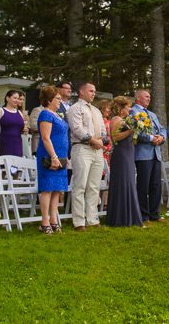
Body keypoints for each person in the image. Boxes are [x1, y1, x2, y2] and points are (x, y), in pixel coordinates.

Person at [66, 82, 105, 231]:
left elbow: (102, 129)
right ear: (81, 92)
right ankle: (79, 221)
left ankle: (92, 219)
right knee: (80, 185)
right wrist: (93, 140)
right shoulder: (75, 109)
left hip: (97, 150)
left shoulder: (96, 110)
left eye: (94, 91)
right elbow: (77, 129)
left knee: (94, 186)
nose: (93, 93)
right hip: (82, 148)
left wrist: (101, 140)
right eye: (91, 91)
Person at [105, 96, 143, 227]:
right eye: (127, 107)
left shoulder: (124, 120)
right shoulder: (116, 119)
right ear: (121, 108)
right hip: (121, 154)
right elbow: (116, 137)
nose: (130, 109)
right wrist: (131, 130)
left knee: (129, 182)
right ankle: (121, 217)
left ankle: (129, 216)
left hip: (128, 153)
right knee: (123, 183)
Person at [36, 85, 69, 234]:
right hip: (49, 155)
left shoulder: (57, 115)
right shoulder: (45, 114)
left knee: (57, 189)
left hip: (61, 155)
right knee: (47, 188)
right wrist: (54, 157)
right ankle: (44, 222)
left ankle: (54, 220)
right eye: (57, 98)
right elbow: (45, 137)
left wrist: (64, 157)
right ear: (49, 99)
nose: (60, 101)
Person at [132, 89, 166, 223]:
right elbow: (136, 132)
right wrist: (152, 138)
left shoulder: (152, 114)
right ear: (138, 98)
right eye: (146, 96)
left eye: (150, 97)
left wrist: (161, 138)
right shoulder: (133, 112)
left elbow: (162, 129)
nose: (149, 99)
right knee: (143, 185)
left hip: (156, 154)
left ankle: (155, 213)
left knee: (156, 184)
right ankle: (143, 214)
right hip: (143, 154)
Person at [0, 90, 26, 157]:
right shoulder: (0, 111)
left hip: (18, 144)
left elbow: (21, 129)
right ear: (7, 98)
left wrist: (25, 130)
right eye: (14, 98)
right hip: (5, 144)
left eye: (18, 98)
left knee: (17, 165)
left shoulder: (20, 113)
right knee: (6, 164)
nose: (16, 100)